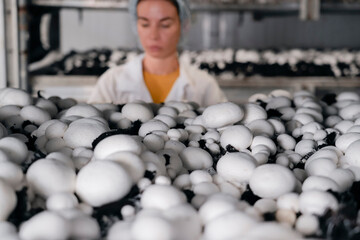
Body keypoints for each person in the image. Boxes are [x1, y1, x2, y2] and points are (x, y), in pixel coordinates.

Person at [88, 0, 227, 107]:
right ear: (136, 25)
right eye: (145, 24)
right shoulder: (111, 82)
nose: (153, 35)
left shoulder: (205, 85)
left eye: (165, 25)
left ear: (183, 25)